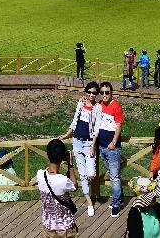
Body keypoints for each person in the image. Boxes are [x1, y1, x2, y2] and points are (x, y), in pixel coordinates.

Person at [59, 81, 101, 216]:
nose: (91, 95)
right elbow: (74, 121)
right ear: (86, 92)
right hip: (77, 142)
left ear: (96, 94)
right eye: (89, 92)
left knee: (91, 174)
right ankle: (89, 201)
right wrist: (66, 135)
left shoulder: (97, 108)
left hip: (89, 144)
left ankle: (90, 195)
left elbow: (97, 127)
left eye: (94, 93)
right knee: (82, 174)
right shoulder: (80, 103)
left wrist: (93, 146)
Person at [93, 81, 124, 218]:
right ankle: (121, 198)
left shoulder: (116, 106)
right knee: (113, 174)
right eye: (102, 92)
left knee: (115, 177)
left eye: (107, 92)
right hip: (102, 146)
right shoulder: (99, 105)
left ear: (111, 93)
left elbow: (118, 126)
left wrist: (114, 142)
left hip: (112, 148)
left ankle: (116, 204)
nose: (104, 95)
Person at [36, 138, 77, 238]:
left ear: (47, 155)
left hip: (48, 226)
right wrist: (70, 165)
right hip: (65, 228)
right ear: (62, 158)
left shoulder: (40, 175)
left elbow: (48, 173)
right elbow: (74, 186)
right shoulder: (63, 181)